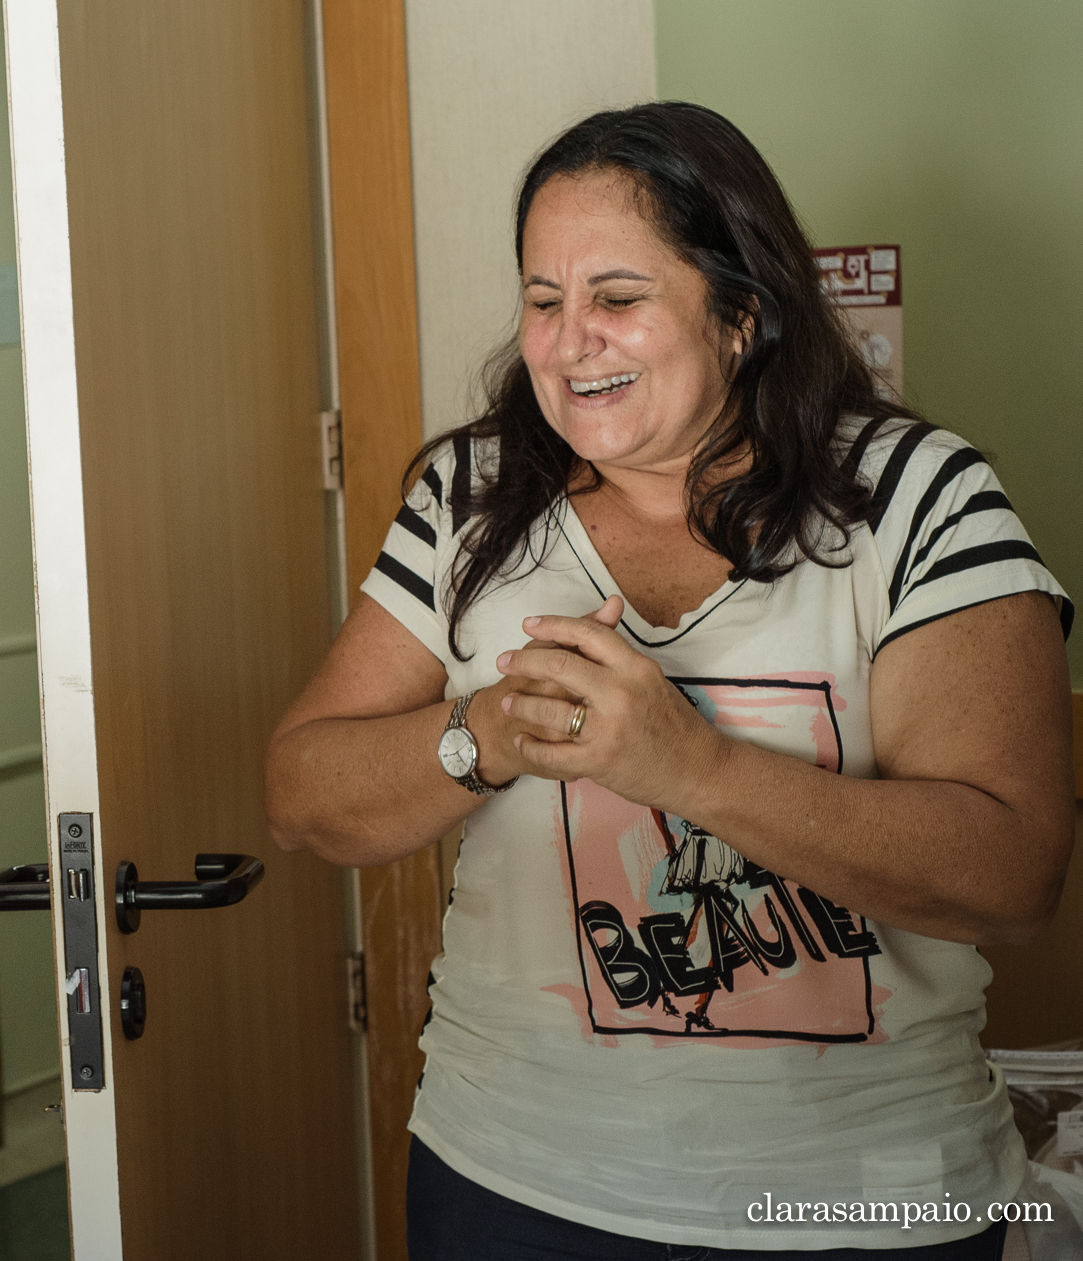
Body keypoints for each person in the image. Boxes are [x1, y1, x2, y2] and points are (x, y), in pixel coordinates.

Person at [266, 102, 1072, 1258]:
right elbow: (300, 792)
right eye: (541, 301)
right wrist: (483, 732)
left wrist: (685, 765)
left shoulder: (915, 498)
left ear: (741, 312)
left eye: (616, 298)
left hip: (862, 1199)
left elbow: (1012, 874)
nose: (565, 338)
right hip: (510, 1182)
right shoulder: (471, 497)